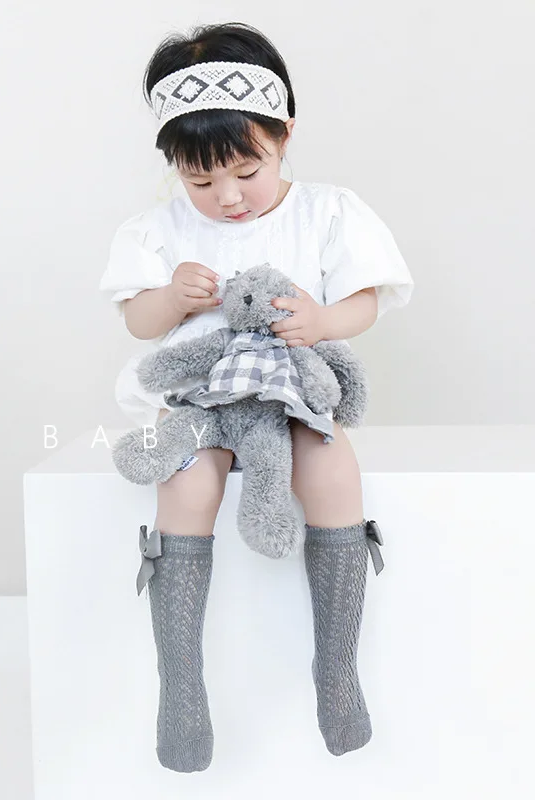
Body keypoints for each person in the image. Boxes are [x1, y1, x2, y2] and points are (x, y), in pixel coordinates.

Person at [98, 22, 414, 772]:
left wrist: (323, 321)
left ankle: (336, 668)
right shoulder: (158, 230)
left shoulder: (327, 211)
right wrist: (171, 299)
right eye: (201, 182)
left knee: (332, 467)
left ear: (284, 135)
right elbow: (137, 321)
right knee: (186, 483)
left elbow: (366, 299)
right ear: (174, 166)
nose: (229, 197)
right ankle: (181, 685)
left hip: (292, 393)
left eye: (248, 170)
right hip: (202, 400)